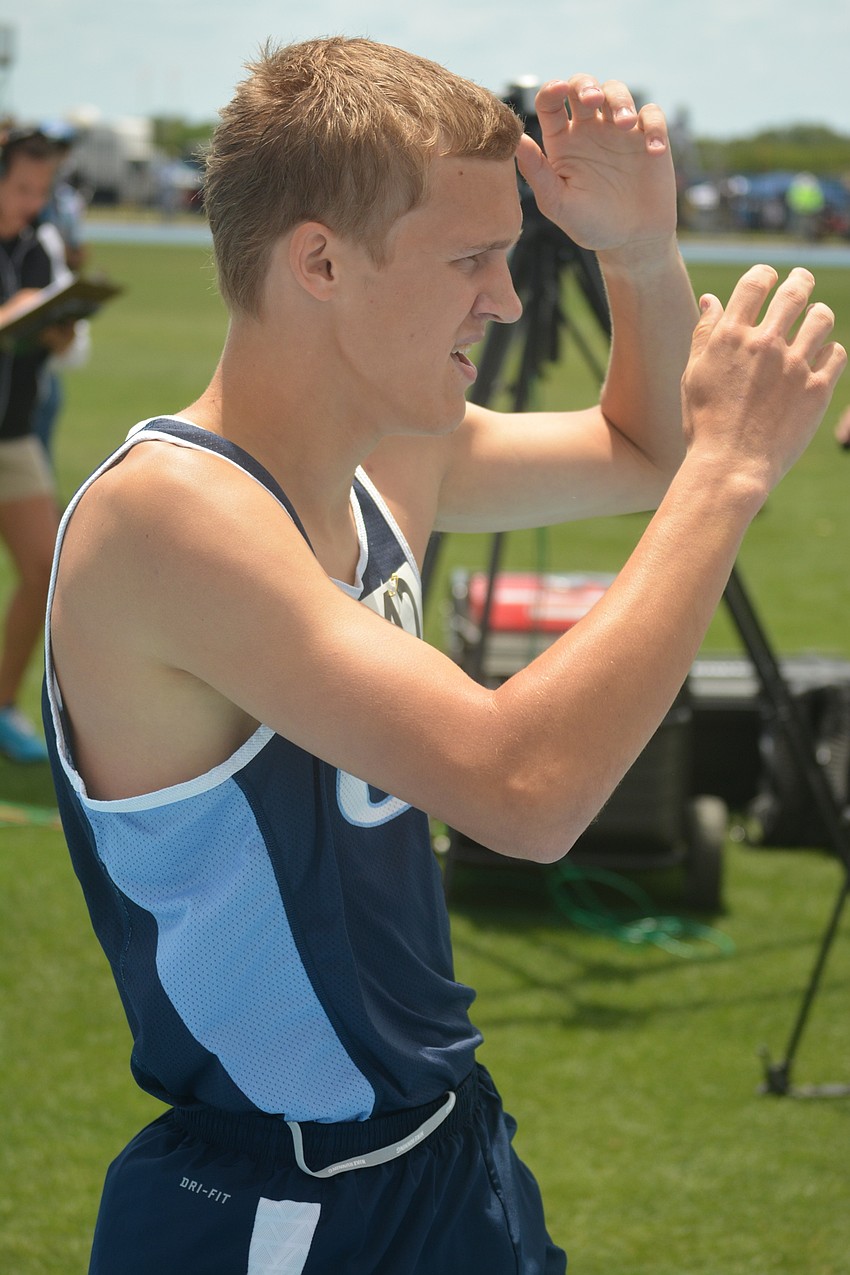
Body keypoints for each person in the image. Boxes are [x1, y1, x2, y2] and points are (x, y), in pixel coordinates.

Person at [42, 37, 845, 1275]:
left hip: (438, 1150)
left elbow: (645, 444)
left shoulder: (382, 452)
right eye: (471, 260)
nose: (511, 300)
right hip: (282, 1199)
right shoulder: (171, 516)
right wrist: (734, 475)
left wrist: (634, 250)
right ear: (317, 261)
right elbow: (523, 794)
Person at [0, 126, 74, 762]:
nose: (32, 201)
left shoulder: (33, 251)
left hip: (14, 437)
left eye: (41, 190)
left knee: (46, 570)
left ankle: (1, 707)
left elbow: (68, 349)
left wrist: (57, 330)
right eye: (22, 186)